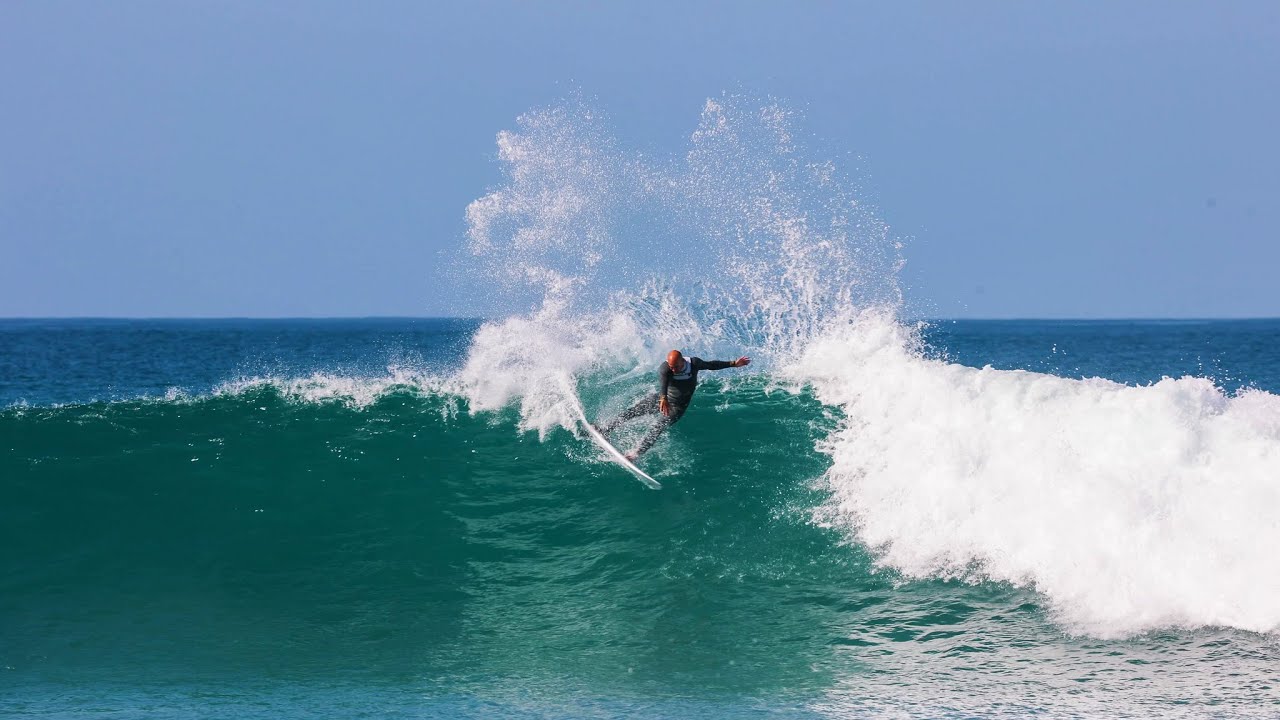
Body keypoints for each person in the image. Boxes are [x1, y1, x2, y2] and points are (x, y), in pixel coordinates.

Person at [597, 349, 750, 461]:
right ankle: (606, 429)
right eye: (671, 366)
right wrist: (663, 398)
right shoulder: (666, 368)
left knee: (658, 427)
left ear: (682, 361)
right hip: (663, 398)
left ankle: (635, 454)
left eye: (675, 366)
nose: (673, 369)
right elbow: (663, 382)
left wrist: (733, 364)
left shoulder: (694, 363)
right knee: (633, 412)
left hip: (678, 407)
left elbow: (711, 365)